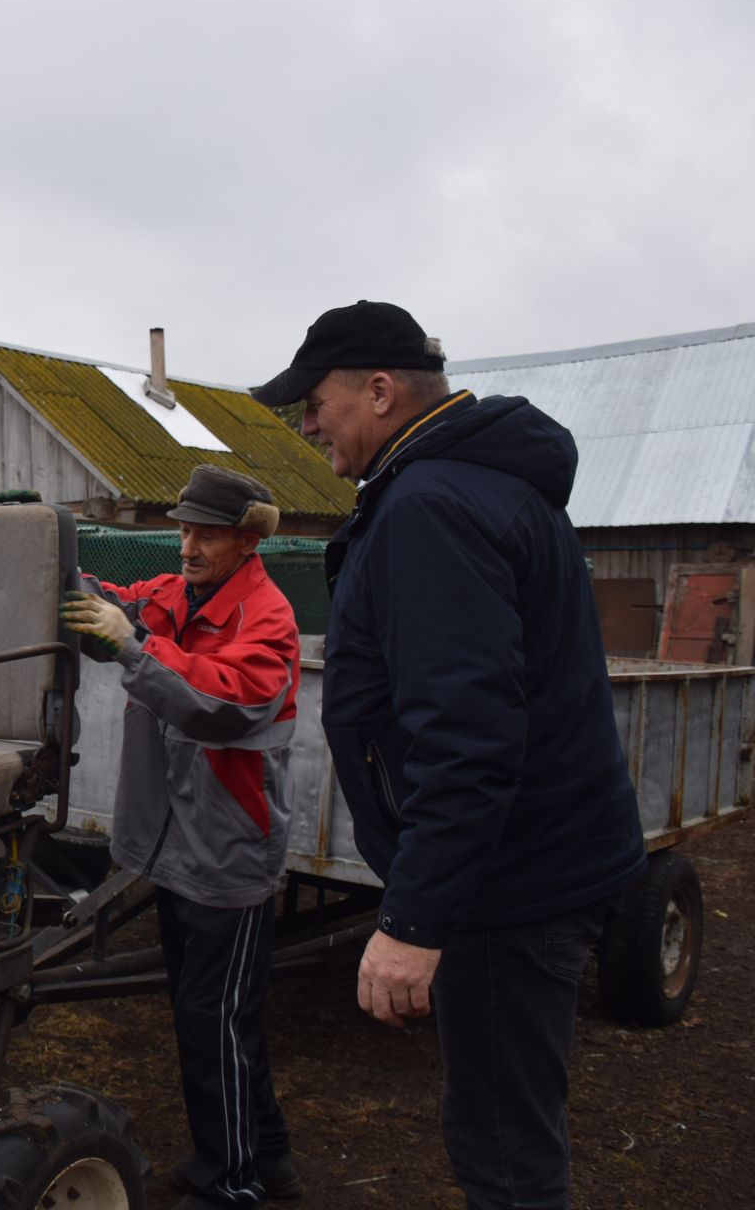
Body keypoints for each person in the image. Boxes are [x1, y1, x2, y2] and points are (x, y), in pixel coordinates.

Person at [251, 300, 645, 1210]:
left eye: (315, 402)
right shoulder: (484, 483)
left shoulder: (430, 505)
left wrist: (415, 920)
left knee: (504, 1157)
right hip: (536, 866)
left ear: (381, 390)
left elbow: (466, 738)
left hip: (509, 889)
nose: (307, 425)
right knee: (511, 1130)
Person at [61, 464, 301, 1209]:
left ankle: (229, 1182)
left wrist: (134, 649)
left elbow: (221, 703)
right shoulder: (175, 594)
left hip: (227, 850)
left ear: (245, 539)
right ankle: (272, 1162)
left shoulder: (268, 618)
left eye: (207, 534)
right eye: (185, 529)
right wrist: (49, 556)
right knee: (223, 1017)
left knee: (213, 1023)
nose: (188, 544)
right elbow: (112, 603)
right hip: (177, 844)